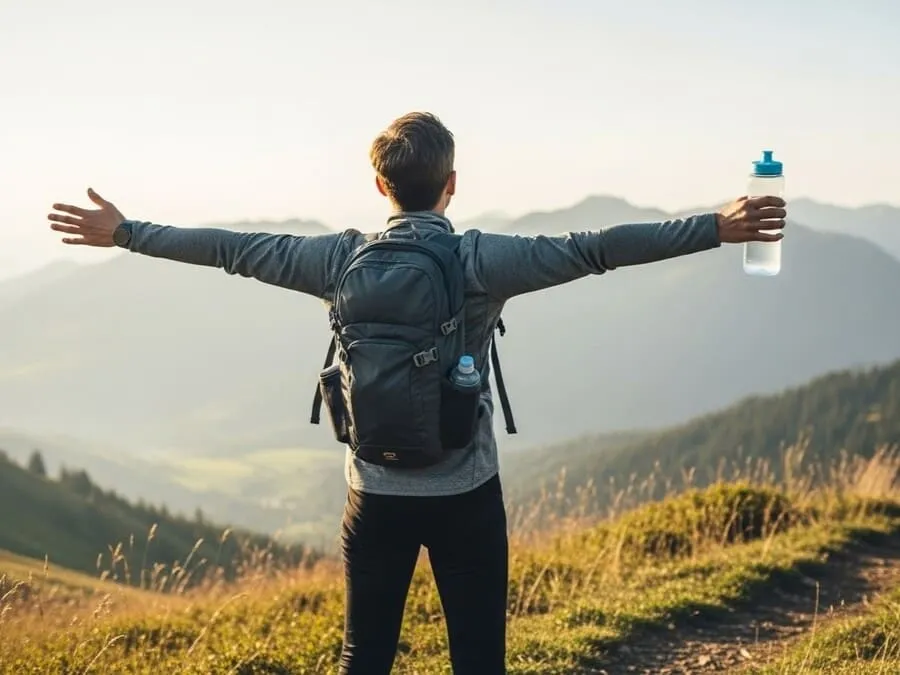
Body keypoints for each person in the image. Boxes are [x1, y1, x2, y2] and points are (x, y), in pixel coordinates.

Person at [47, 111, 786, 674]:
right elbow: (596, 249)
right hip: (466, 489)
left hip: (374, 492)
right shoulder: (478, 260)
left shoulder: (338, 260)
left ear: (379, 186)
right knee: (476, 659)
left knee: (362, 655)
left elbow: (232, 250)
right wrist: (716, 228)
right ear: (452, 183)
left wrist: (126, 232)